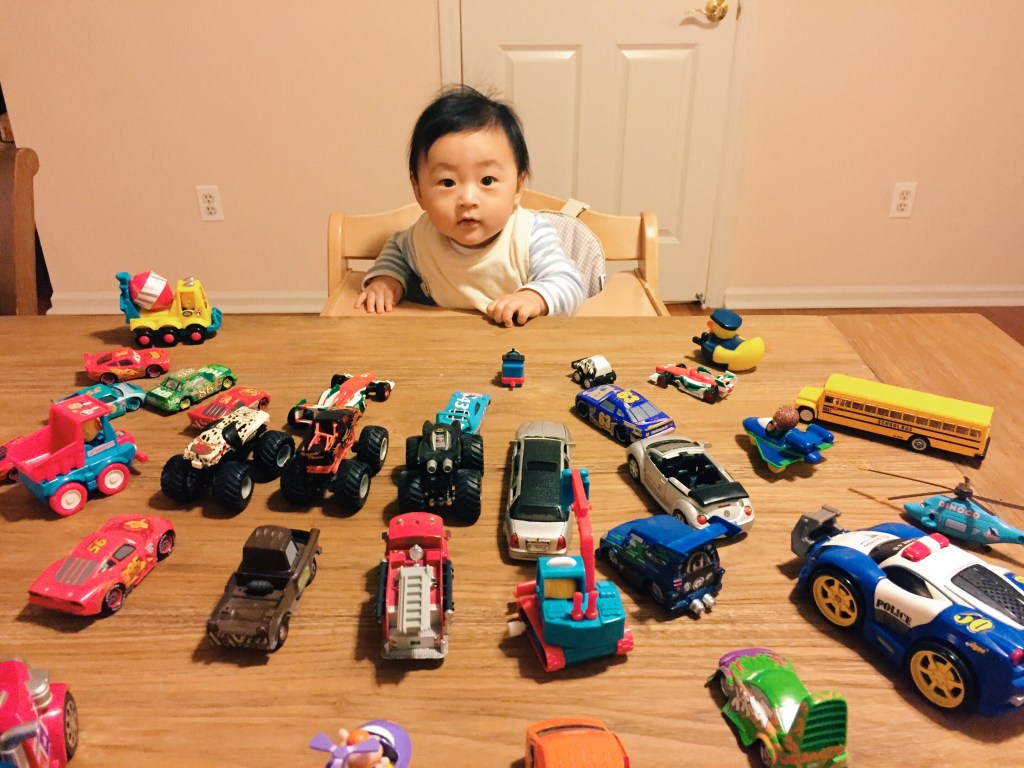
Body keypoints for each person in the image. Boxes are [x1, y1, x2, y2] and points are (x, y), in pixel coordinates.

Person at [356, 86, 585, 326]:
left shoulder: (530, 236)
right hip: (447, 339)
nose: (468, 199)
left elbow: (569, 282)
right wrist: (386, 278)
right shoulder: (422, 239)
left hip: (515, 340)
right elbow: (397, 249)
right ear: (419, 192)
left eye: (487, 180)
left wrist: (533, 298)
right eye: (447, 182)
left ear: (518, 187)